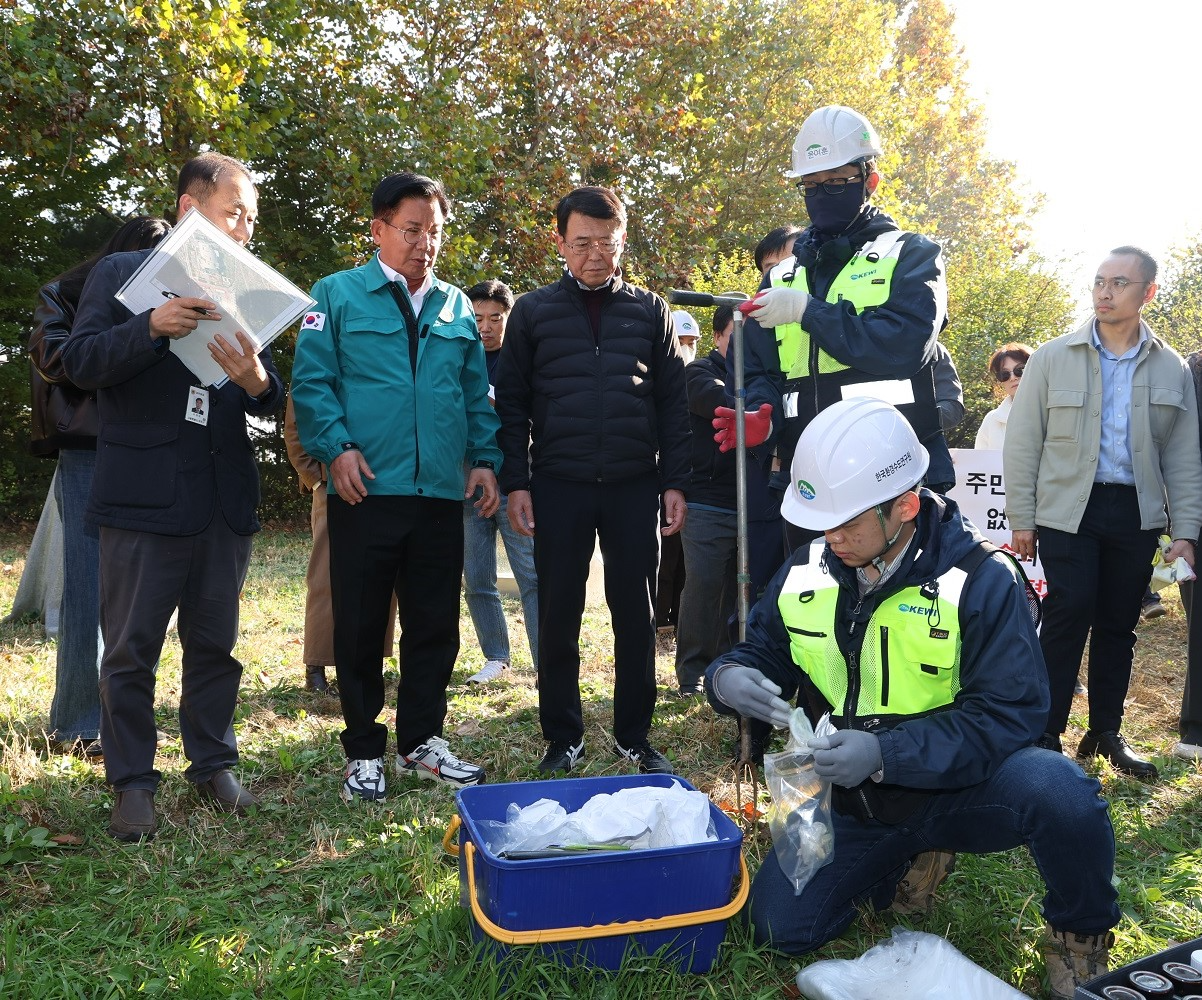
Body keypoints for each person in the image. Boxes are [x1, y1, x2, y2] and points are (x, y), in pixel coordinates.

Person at [706, 398, 1119, 1000]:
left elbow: (1010, 715)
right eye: (824, 520)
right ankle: (906, 862)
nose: (832, 536)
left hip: (957, 791)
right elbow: (763, 649)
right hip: (849, 806)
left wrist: (884, 753)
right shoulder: (807, 569)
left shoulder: (980, 581)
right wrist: (729, 675)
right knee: (779, 929)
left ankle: (1080, 936)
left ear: (905, 504)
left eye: (848, 521)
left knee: (1061, 791)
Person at [61, 153, 284, 841]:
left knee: (216, 645)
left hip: (221, 496)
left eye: (251, 218)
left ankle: (212, 763)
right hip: (142, 499)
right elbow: (79, 363)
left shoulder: (244, 290)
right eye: (234, 213)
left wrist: (255, 381)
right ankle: (131, 781)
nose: (245, 228)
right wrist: (149, 329)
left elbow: (273, 398)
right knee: (130, 649)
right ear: (191, 209)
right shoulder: (120, 275)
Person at [291, 171, 500, 802]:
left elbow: (473, 395)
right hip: (365, 489)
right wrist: (336, 449)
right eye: (412, 231)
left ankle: (420, 742)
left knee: (435, 624)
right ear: (378, 230)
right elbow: (312, 384)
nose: (424, 244)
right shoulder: (335, 294)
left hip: (439, 492)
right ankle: (363, 750)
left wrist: (484, 459)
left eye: (434, 233)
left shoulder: (457, 306)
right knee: (358, 624)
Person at [495, 185, 691, 776]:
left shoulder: (650, 310)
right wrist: (518, 482)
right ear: (560, 242)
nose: (595, 256)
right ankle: (563, 736)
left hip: (634, 484)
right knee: (559, 614)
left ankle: (634, 734)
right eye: (582, 244)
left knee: (637, 613)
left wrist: (674, 480)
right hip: (560, 483)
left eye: (607, 243)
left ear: (622, 240)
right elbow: (512, 406)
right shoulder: (531, 312)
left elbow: (672, 401)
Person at [1005, 246, 1202, 781]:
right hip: (1068, 510)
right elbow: (1023, 443)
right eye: (1098, 281)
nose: (1104, 292)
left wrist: (1184, 531)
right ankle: (1045, 733)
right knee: (1069, 612)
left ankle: (1106, 732)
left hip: (1136, 513)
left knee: (1119, 623)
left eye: (1119, 282)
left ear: (1148, 293)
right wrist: (1021, 517)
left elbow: (1183, 455)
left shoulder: (1171, 366)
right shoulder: (1052, 356)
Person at [720, 105, 952, 547]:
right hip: (806, 476)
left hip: (895, 475)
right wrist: (761, 419)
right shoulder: (781, 276)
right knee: (813, 607)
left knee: (908, 611)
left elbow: (906, 345)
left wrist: (810, 312)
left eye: (836, 182)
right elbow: (755, 369)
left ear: (870, 179)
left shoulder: (911, 254)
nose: (821, 193)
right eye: (810, 185)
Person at [28, 215, 172, 758]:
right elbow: (60, 361)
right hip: (89, 448)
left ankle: (124, 718)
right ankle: (76, 722)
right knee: (88, 586)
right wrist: (132, 333)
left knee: (140, 592)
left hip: (150, 446)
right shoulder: (65, 294)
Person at [282, 397, 396, 694]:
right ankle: (316, 668)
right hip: (332, 486)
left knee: (382, 575)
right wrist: (316, 481)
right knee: (325, 578)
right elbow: (295, 427)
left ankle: (371, 662)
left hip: (385, 483)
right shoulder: (319, 356)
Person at [460, 279, 538, 685]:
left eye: (495, 318)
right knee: (476, 576)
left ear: (509, 318)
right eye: (477, 318)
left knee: (532, 575)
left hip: (515, 482)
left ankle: (546, 664)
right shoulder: (458, 357)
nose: (485, 327)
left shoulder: (524, 359)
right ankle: (495, 656)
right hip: (467, 481)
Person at [674, 305, 738, 697]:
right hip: (708, 502)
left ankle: (731, 670)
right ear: (717, 337)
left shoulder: (770, 376)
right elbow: (721, 404)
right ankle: (691, 674)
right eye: (737, 335)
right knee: (704, 586)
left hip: (756, 504)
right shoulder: (698, 373)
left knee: (742, 592)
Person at [654, 309, 700, 653]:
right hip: (656, 478)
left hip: (692, 482)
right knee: (663, 556)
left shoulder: (703, 377)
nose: (686, 348)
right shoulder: (656, 378)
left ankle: (677, 619)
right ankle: (658, 621)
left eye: (691, 342)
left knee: (684, 558)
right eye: (681, 341)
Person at [974, 342, 1032, 450]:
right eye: (1004, 374)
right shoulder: (991, 421)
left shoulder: (1054, 411)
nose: (1013, 377)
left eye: (1020, 370)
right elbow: (981, 463)